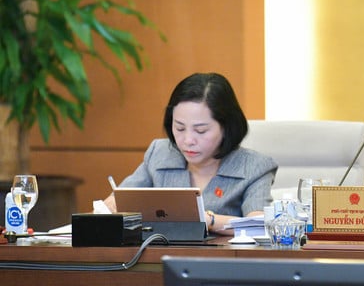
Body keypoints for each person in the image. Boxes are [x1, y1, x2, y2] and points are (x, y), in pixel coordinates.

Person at [104, 72, 277, 235]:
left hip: (222, 262)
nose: (187, 140)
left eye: (200, 131)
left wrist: (208, 220)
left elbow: (259, 226)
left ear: (226, 127)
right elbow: (115, 203)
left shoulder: (254, 167)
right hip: (156, 259)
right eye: (179, 127)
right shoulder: (160, 153)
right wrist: (109, 207)